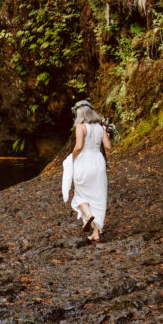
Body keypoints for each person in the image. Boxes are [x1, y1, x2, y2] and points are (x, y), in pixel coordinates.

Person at [62, 99, 111, 242]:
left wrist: (72, 158)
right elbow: (108, 146)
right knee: (98, 197)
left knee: (80, 194)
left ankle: (88, 214)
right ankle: (96, 232)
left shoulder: (80, 126)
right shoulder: (100, 127)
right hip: (98, 161)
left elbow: (78, 146)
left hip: (84, 162)